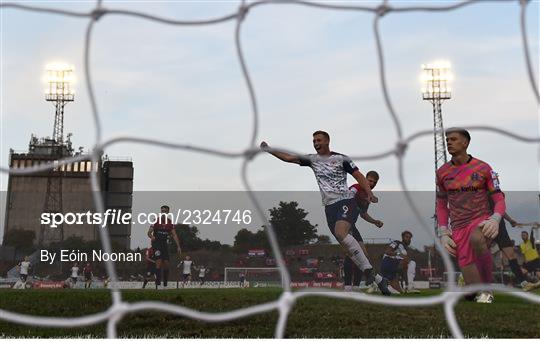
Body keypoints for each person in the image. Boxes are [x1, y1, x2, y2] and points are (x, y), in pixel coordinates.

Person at [261, 131, 391, 295]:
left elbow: (358, 175)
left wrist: (369, 192)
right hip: (329, 208)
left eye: (319, 140)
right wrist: (270, 150)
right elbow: (289, 158)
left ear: (327, 141)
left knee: (340, 232)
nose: (316, 142)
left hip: (344, 201)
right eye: (314, 140)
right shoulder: (312, 160)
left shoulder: (341, 158)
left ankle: (364, 274)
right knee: (347, 246)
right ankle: (378, 279)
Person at [436, 128, 506, 304]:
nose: (449, 142)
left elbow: (499, 198)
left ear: (465, 143)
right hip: (458, 227)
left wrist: (495, 219)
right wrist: (444, 232)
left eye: (453, 139)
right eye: (447, 140)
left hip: (481, 219)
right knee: (473, 293)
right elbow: (441, 205)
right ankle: (470, 287)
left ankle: (488, 291)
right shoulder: (442, 172)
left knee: (477, 238)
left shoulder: (484, 168)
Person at [343, 170, 384, 292]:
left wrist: (375, 221)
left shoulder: (367, 195)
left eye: (374, 182)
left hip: (352, 225)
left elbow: (363, 214)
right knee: (351, 254)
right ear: (365, 179)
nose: (371, 184)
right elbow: (345, 199)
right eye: (370, 181)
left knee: (363, 255)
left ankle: (355, 286)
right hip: (344, 223)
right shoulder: (355, 188)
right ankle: (348, 287)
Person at [147, 205, 181, 288]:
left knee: (166, 264)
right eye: (162, 211)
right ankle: (158, 284)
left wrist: (178, 246)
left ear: (168, 212)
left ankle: (165, 284)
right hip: (156, 244)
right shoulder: (156, 220)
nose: (163, 213)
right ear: (160, 212)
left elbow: (174, 235)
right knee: (158, 262)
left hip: (164, 244)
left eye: (165, 211)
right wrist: (152, 236)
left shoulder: (169, 222)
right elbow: (148, 232)